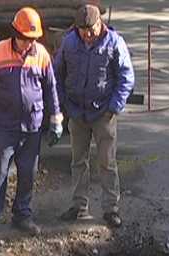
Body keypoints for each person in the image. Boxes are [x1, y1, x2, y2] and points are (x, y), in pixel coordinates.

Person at [0, 6, 63, 242]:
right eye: (25, 39)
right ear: (15, 33)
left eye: (32, 39)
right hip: (5, 126)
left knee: (28, 173)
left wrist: (55, 122)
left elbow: (51, 89)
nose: (28, 44)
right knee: (0, 172)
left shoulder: (41, 54)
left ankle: (22, 215)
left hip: (32, 126)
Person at [54, 4, 135, 228]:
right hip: (77, 113)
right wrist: (64, 104)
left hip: (103, 113)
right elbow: (56, 74)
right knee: (78, 161)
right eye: (83, 31)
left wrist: (114, 107)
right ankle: (79, 206)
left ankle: (111, 209)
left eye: (91, 29)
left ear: (100, 23)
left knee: (107, 162)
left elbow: (126, 77)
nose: (88, 35)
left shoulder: (115, 42)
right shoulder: (69, 42)